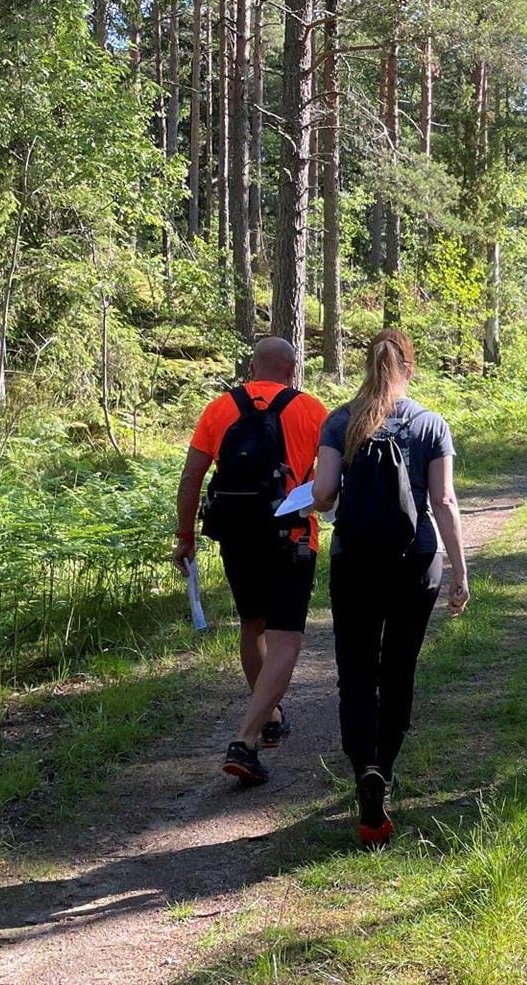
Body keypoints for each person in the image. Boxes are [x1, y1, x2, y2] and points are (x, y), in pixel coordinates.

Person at [312, 329, 470, 846]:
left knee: (356, 671)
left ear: (366, 365)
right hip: (415, 560)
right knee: (399, 668)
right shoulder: (431, 424)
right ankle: (384, 768)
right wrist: (461, 571)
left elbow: (323, 493)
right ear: (410, 365)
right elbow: (444, 501)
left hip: (354, 560)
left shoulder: (340, 420)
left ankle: (364, 772)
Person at [173, 337, 330, 786]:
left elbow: (191, 477)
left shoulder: (219, 408)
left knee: (253, 625)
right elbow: (329, 482)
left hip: (236, 536)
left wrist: (186, 537)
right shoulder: (311, 409)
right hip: (293, 537)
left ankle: (272, 713)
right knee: (286, 639)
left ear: (253, 367)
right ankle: (247, 739)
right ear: (291, 368)